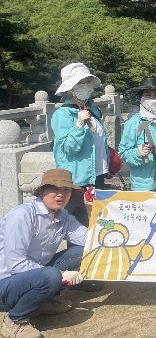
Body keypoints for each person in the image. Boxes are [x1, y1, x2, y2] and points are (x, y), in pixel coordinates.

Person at [0, 169, 86, 338]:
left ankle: (42, 302)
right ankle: (15, 320)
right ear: (42, 191)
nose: (61, 194)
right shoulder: (22, 215)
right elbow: (16, 264)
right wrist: (61, 275)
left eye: (66, 190)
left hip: (35, 275)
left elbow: (89, 239)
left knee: (84, 252)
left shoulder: (63, 216)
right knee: (51, 275)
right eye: (54, 189)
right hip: (6, 283)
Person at [51, 62, 107, 226]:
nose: (86, 85)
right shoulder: (63, 114)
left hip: (97, 175)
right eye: (80, 82)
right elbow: (68, 148)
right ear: (70, 88)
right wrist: (78, 125)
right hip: (77, 181)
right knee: (79, 227)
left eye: (88, 81)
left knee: (97, 224)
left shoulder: (93, 110)